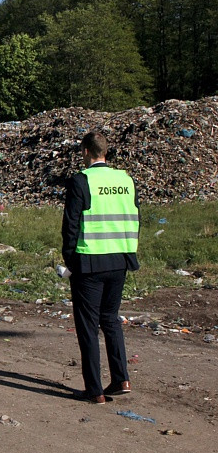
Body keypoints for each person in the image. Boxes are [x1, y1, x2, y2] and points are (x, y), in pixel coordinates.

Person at [62, 131, 139, 404]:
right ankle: (121, 378)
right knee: (111, 319)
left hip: (89, 262)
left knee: (88, 326)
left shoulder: (82, 181)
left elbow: (70, 225)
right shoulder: (125, 180)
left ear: (85, 151)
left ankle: (94, 390)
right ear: (106, 152)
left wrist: (69, 261)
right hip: (120, 259)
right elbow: (134, 214)